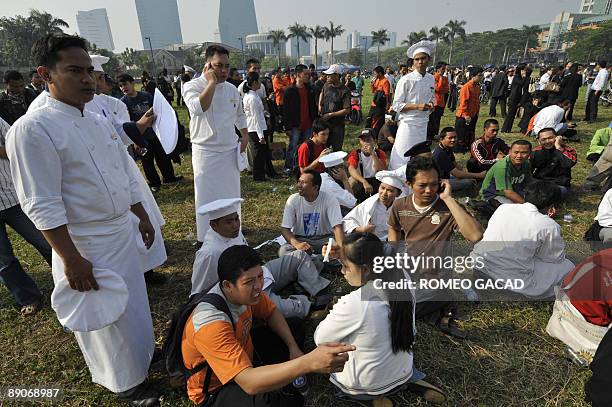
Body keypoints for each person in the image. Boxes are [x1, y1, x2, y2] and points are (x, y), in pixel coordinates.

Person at [8, 34, 158, 405]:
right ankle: (124, 384)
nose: (88, 79)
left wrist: (141, 215)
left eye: (90, 71)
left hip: (120, 230)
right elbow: (40, 202)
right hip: (83, 241)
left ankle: (143, 360)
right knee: (105, 318)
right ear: (46, 74)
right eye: (75, 71)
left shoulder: (95, 119)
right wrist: (70, 258)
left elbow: (123, 171)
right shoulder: (33, 129)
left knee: (133, 305)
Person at [182, 244, 356, 406]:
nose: (259, 286)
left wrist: (293, 348)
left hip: (243, 353)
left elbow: (271, 312)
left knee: (294, 327)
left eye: (259, 276)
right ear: (227, 286)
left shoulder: (246, 294)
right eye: (249, 282)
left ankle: (280, 373)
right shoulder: (211, 323)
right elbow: (248, 382)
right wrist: (308, 362)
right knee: (273, 400)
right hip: (217, 387)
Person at [314, 233, 446, 406]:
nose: (341, 270)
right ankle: (410, 379)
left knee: (332, 348)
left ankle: (371, 399)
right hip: (402, 370)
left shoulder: (355, 303)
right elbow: (377, 256)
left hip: (365, 385)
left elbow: (320, 339)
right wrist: (344, 254)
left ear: (367, 269)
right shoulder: (402, 276)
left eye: (345, 266)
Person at [387, 157, 483, 338]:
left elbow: (475, 235)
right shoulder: (400, 205)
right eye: (422, 185)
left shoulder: (448, 209)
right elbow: (393, 227)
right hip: (407, 271)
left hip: (435, 281)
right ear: (409, 184)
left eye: (434, 184)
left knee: (398, 310)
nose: (429, 190)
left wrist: (448, 198)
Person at [191, 199, 330, 318]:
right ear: (214, 225)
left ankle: (317, 290)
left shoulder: (234, 233)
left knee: (299, 256)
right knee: (285, 309)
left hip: (262, 273)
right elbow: (199, 292)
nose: (235, 225)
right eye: (228, 222)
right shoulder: (209, 253)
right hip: (250, 292)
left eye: (236, 219)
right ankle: (311, 305)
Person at [182, 45, 248, 244]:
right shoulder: (192, 86)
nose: (223, 71)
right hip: (206, 151)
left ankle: (235, 234)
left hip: (229, 151)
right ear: (208, 64)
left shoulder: (231, 89)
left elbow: (239, 114)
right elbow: (198, 107)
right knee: (206, 197)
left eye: (227, 66)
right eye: (219, 66)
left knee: (231, 195)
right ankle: (206, 239)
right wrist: (210, 82)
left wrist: (244, 135)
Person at [470, 181, 574, 299]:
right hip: (510, 281)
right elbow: (554, 258)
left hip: (479, 266)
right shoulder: (548, 225)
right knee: (567, 266)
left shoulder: (503, 208)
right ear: (552, 206)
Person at [0, 116, 52, 316]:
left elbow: (18, 147)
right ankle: (28, 297)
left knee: (46, 241)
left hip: (12, 197)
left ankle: (70, 280)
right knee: (4, 261)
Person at [118, 73, 181, 192]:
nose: (123, 88)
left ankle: (169, 177)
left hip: (154, 133)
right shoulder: (123, 103)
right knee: (147, 161)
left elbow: (158, 109)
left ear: (132, 83)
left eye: (125, 84)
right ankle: (154, 183)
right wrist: (134, 141)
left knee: (162, 157)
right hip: (141, 137)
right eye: (120, 86)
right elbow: (126, 123)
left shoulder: (146, 96)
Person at [390, 40, 436, 170]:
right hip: (408, 123)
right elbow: (397, 105)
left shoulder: (431, 78)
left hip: (423, 122)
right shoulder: (405, 80)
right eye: (417, 59)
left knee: (419, 155)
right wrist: (417, 106)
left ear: (429, 60)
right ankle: (397, 181)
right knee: (402, 153)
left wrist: (431, 105)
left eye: (423, 58)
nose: (420, 62)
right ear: (413, 62)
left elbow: (433, 98)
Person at [279, 170, 344, 256]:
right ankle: (319, 261)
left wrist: (341, 250)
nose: (299, 185)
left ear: (315, 187)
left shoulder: (329, 199)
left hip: (324, 240)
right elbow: (285, 229)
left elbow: (337, 227)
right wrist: (297, 244)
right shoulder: (293, 200)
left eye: (304, 182)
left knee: (337, 250)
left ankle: (309, 262)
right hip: (301, 240)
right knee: (284, 251)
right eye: (299, 182)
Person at [342, 173, 403, 240]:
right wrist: (362, 229)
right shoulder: (368, 205)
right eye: (382, 188)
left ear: (398, 194)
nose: (384, 193)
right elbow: (346, 222)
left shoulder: (401, 207)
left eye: (390, 191)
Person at [283, 64, 318, 173]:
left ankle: (303, 166)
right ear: (298, 75)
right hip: (295, 125)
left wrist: (315, 121)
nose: (308, 76)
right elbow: (286, 111)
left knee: (306, 146)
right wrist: (287, 127)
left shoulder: (310, 90)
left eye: (309, 74)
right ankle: (288, 166)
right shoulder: (290, 91)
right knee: (293, 146)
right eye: (305, 74)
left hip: (308, 124)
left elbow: (313, 107)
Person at [432, 127, 485, 194]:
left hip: (445, 177)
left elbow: (455, 165)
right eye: (450, 138)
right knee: (470, 182)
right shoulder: (440, 154)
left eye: (455, 137)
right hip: (437, 183)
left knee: (468, 178)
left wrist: (466, 174)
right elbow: (458, 174)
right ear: (441, 139)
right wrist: (479, 175)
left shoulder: (447, 147)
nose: (453, 140)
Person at [480, 140, 533, 205]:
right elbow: (508, 193)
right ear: (510, 152)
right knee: (518, 209)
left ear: (530, 153)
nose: (519, 156)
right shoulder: (502, 167)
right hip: (493, 195)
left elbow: (530, 182)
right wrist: (527, 206)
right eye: (516, 152)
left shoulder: (526, 163)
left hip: (515, 190)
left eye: (523, 152)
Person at [531, 128, 577, 199]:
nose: (547, 141)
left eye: (550, 138)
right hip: (538, 182)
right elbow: (527, 169)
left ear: (557, 137)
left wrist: (558, 147)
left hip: (559, 185)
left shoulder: (568, 150)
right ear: (539, 141)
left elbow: (568, 163)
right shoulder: (535, 151)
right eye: (543, 139)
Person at [242, 72, 270, 182]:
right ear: (254, 82)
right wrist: (260, 135)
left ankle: (260, 174)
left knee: (261, 153)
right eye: (259, 81)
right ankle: (258, 176)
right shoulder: (252, 98)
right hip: (255, 128)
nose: (260, 83)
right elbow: (255, 118)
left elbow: (258, 113)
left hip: (257, 127)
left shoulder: (253, 94)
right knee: (258, 154)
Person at [347, 129, 388, 203]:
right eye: (363, 140)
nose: (366, 143)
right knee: (351, 181)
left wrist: (373, 154)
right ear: (360, 141)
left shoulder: (380, 153)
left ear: (374, 141)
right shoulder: (355, 153)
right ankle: (351, 202)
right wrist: (364, 181)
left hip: (376, 180)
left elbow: (382, 170)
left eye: (368, 140)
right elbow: (351, 169)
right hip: (362, 180)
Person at [319, 64, 351, 152]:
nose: (327, 77)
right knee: (324, 147)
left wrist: (331, 114)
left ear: (337, 75)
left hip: (337, 124)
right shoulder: (326, 85)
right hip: (325, 123)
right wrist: (319, 105)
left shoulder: (344, 90)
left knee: (337, 148)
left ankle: (336, 165)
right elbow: (322, 93)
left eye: (329, 75)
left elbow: (347, 110)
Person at [454, 67, 483, 153]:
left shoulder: (477, 87)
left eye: (481, 75)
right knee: (461, 134)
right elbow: (463, 103)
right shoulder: (467, 87)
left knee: (470, 132)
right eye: (479, 75)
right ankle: (459, 149)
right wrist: (466, 115)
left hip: (473, 114)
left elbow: (477, 101)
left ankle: (468, 146)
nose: (481, 77)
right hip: (464, 116)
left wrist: (476, 112)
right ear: (473, 76)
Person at [427, 61, 449, 140]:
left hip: (441, 102)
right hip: (435, 102)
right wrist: (440, 79)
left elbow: (446, 89)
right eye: (442, 69)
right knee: (432, 120)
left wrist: (441, 88)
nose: (444, 71)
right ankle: (430, 135)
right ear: (438, 69)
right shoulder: (433, 77)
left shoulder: (445, 78)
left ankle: (435, 134)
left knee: (438, 119)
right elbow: (438, 89)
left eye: (444, 69)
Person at [501, 64, 526, 133]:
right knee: (510, 115)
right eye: (523, 69)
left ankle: (508, 129)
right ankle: (504, 129)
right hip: (513, 98)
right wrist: (524, 76)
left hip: (516, 98)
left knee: (512, 115)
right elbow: (521, 83)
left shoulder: (518, 77)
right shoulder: (517, 77)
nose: (524, 71)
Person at [369, 66, 391, 135]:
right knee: (370, 119)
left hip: (380, 105)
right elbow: (373, 91)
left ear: (380, 73)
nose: (374, 75)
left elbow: (387, 94)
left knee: (378, 121)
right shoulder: (377, 80)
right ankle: (371, 133)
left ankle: (377, 135)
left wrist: (388, 104)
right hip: (374, 104)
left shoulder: (385, 81)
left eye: (375, 74)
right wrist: (372, 85)